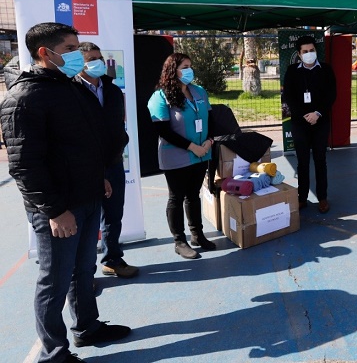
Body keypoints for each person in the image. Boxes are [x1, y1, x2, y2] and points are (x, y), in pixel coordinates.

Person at [0, 22, 130, 363]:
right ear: (45, 53)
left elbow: (85, 144)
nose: (78, 55)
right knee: (54, 282)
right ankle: (54, 354)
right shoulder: (24, 97)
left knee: (83, 271)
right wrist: (55, 211)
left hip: (87, 198)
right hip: (59, 209)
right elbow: (25, 165)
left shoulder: (71, 88)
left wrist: (98, 178)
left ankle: (88, 328)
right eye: (71, 48)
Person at [76, 41, 138, 278]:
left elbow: (117, 125)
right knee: (87, 222)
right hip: (86, 169)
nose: (97, 63)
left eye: (99, 58)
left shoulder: (112, 90)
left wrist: (119, 144)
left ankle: (112, 259)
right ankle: (84, 274)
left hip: (113, 163)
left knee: (113, 215)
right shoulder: (72, 90)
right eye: (91, 59)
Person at [148, 53, 216, 259]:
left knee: (193, 195)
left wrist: (209, 141)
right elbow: (163, 130)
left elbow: (210, 119)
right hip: (176, 157)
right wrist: (192, 147)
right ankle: (180, 241)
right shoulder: (160, 97)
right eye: (184, 66)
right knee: (176, 198)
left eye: (190, 66)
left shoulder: (199, 91)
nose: (189, 70)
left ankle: (197, 234)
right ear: (172, 70)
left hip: (202, 153)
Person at [283, 35, 337, 213]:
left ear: (316, 51)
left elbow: (331, 95)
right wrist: (305, 116)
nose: (309, 54)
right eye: (305, 52)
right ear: (299, 54)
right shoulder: (292, 71)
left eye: (311, 50)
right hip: (300, 123)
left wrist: (317, 114)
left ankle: (322, 198)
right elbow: (289, 97)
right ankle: (302, 198)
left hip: (320, 122)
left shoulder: (326, 70)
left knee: (320, 160)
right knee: (302, 162)